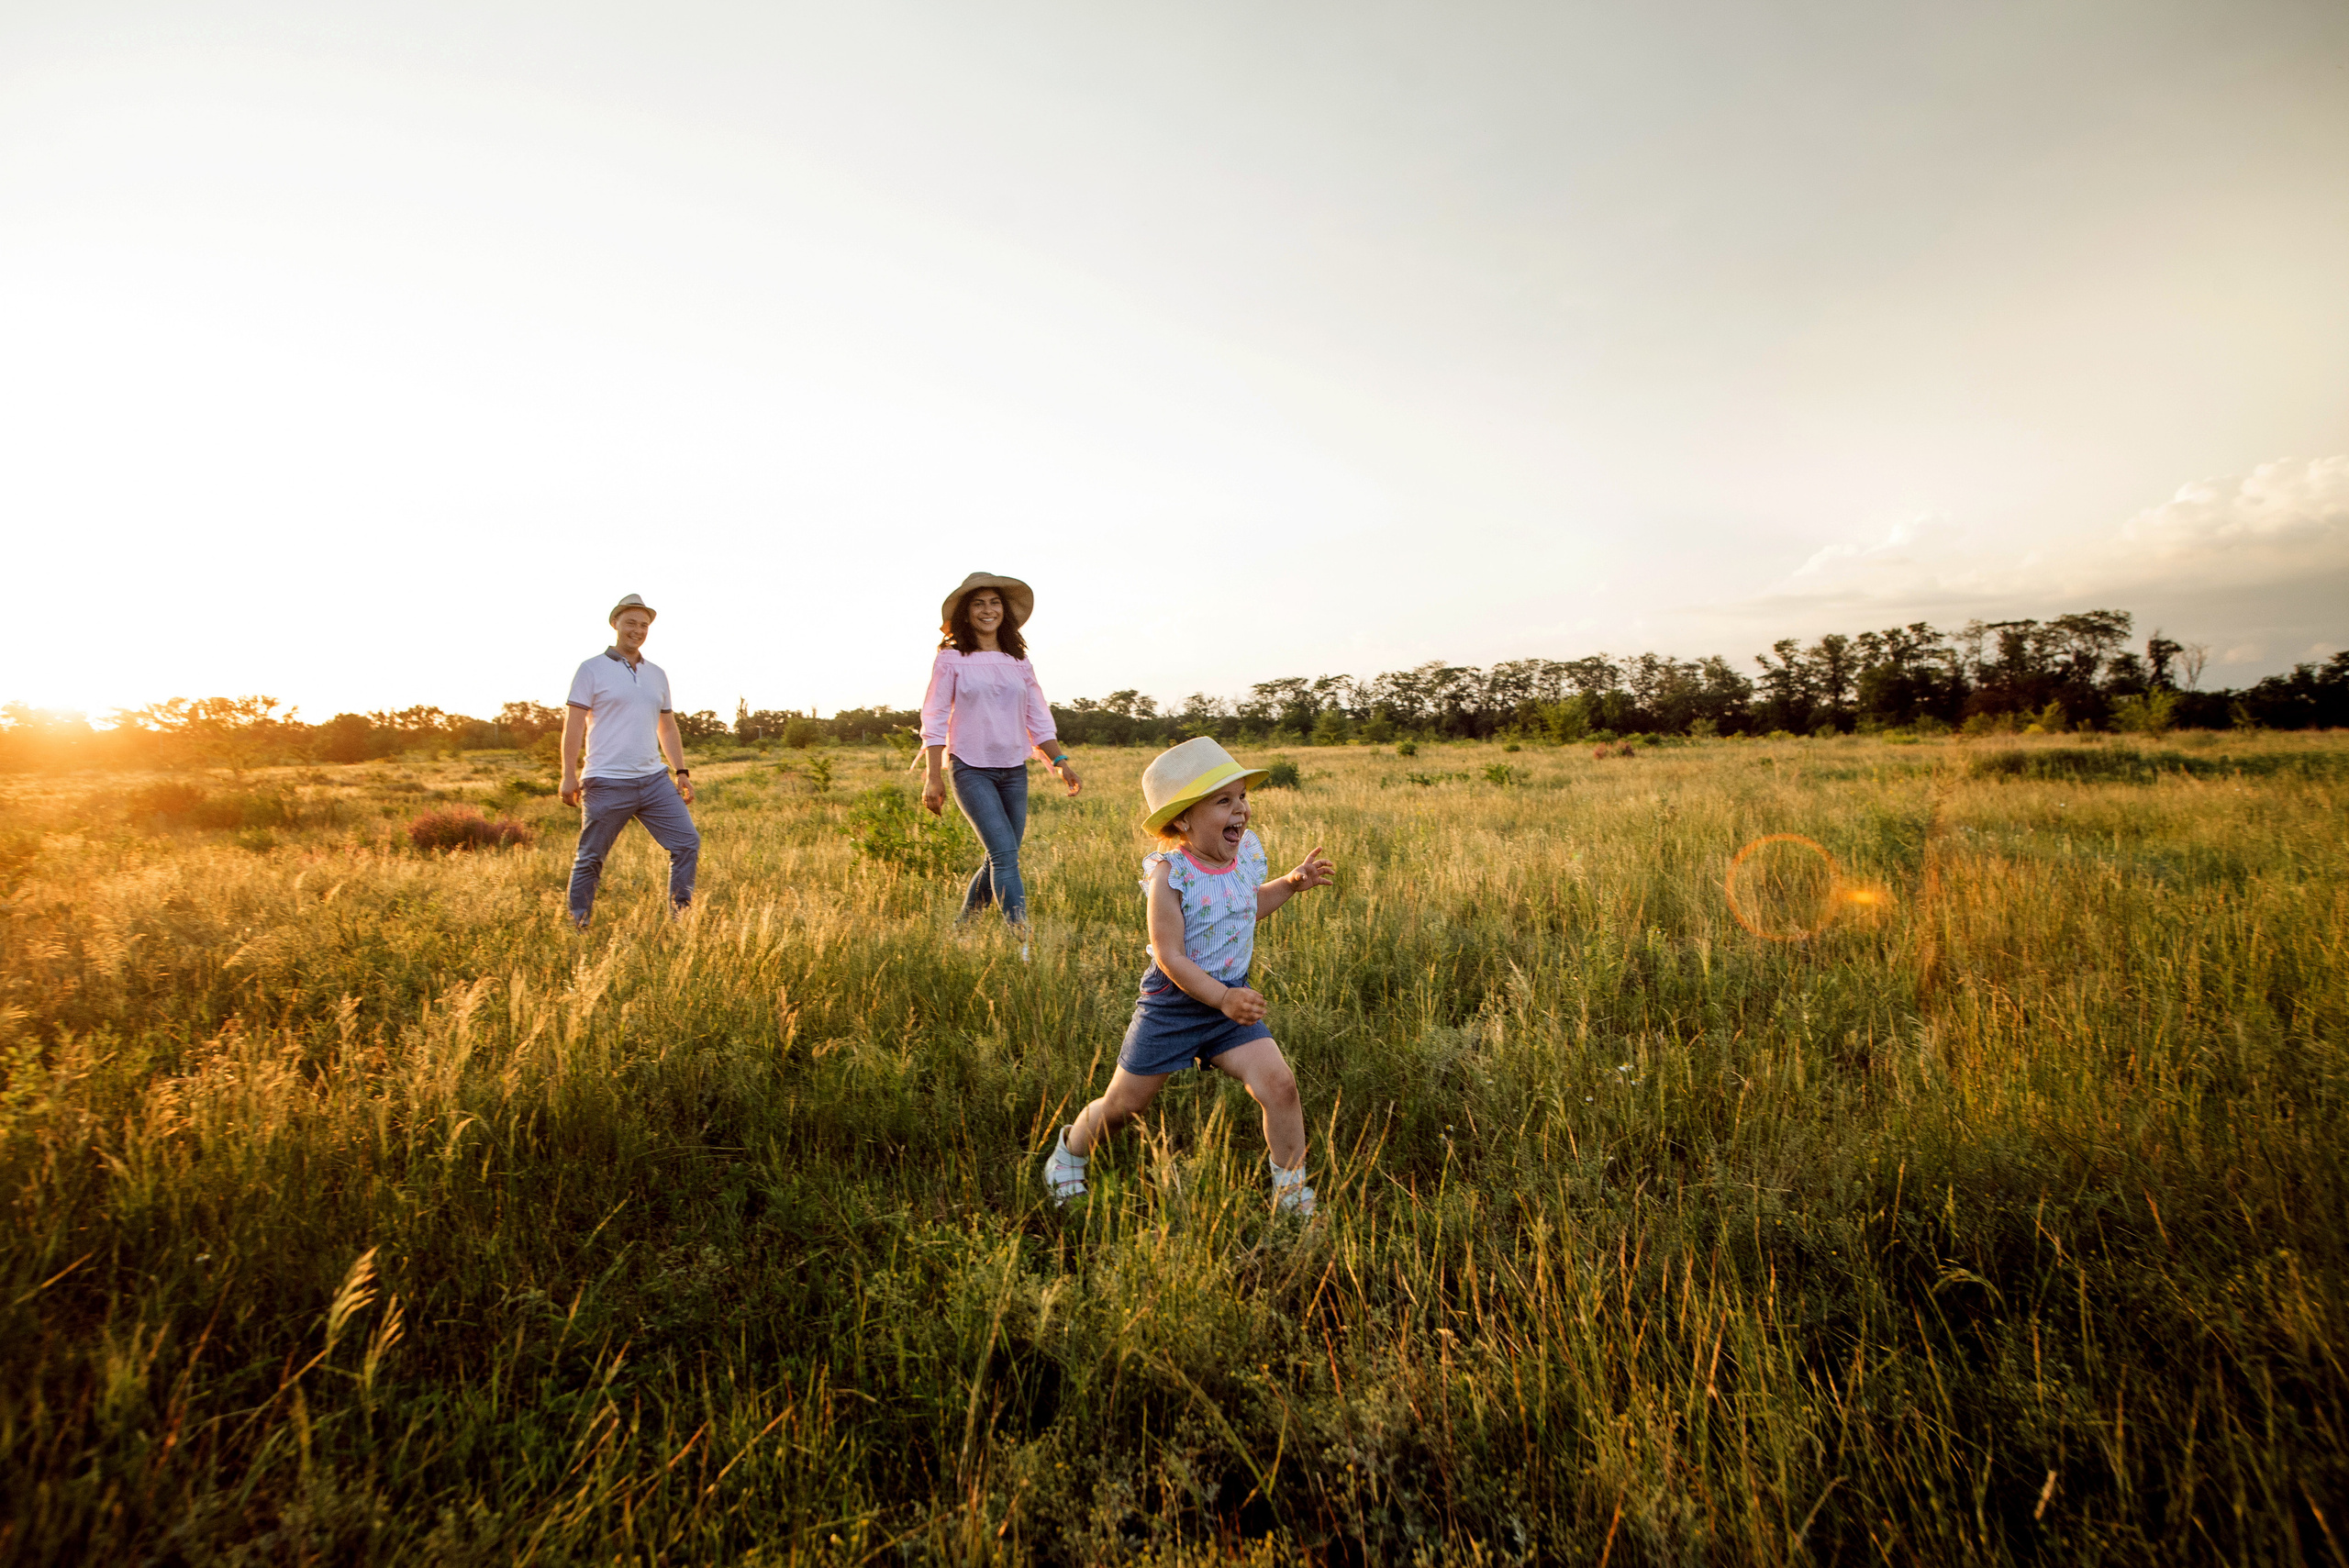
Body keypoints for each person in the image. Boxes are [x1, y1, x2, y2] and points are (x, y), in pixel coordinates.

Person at [1042, 737, 1335, 1214]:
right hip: (1173, 1006)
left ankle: (1292, 1194)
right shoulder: (1169, 875)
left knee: (1279, 1086)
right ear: (1183, 819)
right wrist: (1220, 998)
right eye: (1223, 801)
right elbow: (1170, 956)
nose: (1240, 810)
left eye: (1241, 796)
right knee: (1123, 1106)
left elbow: (1245, 907)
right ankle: (1068, 1157)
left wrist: (1290, 884)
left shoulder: (1244, 856)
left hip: (1228, 1003)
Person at [918, 573, 1082, 931]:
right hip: (970, 768)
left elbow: (1037, 717)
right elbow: (934, 717)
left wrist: (1061, 762)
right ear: (967, 612)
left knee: (1000, 857)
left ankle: (962, 930)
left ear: (1004, 611)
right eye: (978, 603)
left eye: (994, 603)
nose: (987, 610)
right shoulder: (951, 659)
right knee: (1005, 856)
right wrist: (933, 777)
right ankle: (1022, 943)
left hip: (1013, 770)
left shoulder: (1018, 661)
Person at [560, 594, 700, 929]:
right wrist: (568, 774)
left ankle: (680, 919)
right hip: (606, 781)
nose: (637, 630)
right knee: (591, 857)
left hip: (654, 780)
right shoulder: (591, 669)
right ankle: (578, 923)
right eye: (631, 623)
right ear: (616, 624)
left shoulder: (657, 674)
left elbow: (666, 726)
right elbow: (574, 724)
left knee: (687, 843)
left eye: (644, 625)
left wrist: (680, 771)